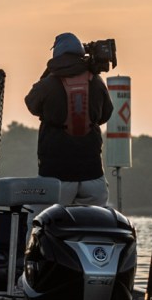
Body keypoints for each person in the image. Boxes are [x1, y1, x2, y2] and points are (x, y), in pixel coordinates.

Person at [25, 32, 114, 206]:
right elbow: (106, 114)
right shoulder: (96, 81)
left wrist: (49, 73)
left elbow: (31, 104)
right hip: (93, 176)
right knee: (92, 220)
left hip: (56, 177)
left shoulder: (48, 84)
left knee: (39, 218)